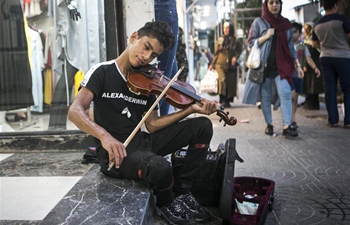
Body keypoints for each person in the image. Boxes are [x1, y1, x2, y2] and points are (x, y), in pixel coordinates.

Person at [68, 21, 217, 224]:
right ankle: (167, 204)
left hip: (143, 142)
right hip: (117, 154)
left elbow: (153, 124)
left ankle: (183, 192)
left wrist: (189, 110)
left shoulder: (147, 79)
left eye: (154, 55)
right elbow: (75, 111)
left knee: (202, 126)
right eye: (146, 47)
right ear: (133, 38)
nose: (147, 57)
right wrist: (105, 137)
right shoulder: (102, 72)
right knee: (160, 167)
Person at [242, 0, 303, 138]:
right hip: (263, 66)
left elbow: (291, 48)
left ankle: (287, 126)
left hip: (282, 66)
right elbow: (250, 43)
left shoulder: (286, 25)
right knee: (266, 97)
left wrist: (297, 66)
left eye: (277, 2)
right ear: (266, 5)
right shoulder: (259, 22)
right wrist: (266, 36)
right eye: (271, 2)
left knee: (286, 93)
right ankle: (269, 124)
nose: (274, 5)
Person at [311, 0, 350, 128]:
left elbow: (313, 44)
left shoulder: (317, 24)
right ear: (335, 5)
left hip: (325, 58)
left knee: (330, 89)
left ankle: (333, 119)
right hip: (343, 56)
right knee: (347, 89)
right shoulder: (341, 19)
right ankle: (348, 120)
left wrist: (323, 46)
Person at [290, 22, 320, 130]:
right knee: (292, 96)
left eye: (295, 32)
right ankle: (289, 119)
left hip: (298, 75)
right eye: (291, 31)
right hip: (288, 76)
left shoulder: (302, 46)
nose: (293, 34)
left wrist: (315, 68)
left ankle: (292, 119)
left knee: (295, 98)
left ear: (299, 33)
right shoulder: (285, 46)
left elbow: (308, 58)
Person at [209, 22, 243, 108]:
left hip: (231, 65)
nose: (226, 30)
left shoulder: (235, 40)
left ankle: (228, 101)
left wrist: (235, 57)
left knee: (230, 82)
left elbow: (239, 50)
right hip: (220, 64)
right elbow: (216, 53)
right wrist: (212, 64)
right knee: (222, 80)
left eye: (227, 28)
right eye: (224, 28)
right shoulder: (220, 40)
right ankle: (223, 100)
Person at [154, 0, 179, 116]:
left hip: (165, 6)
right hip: (164, 6)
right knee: (164, 75)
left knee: (170, 73)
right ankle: (161, 120)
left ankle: (164, 116)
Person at [302, 22, 324, 110]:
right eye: (305, 29)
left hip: (312, 65)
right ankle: (310, 101)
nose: (306, 31)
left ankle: (312, 103)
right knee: (311, 85)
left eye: (308, 29)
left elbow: (309, 55)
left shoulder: (312, 41)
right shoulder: (308, 39)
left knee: (312, 85)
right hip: (313, 64)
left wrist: (306, 65)